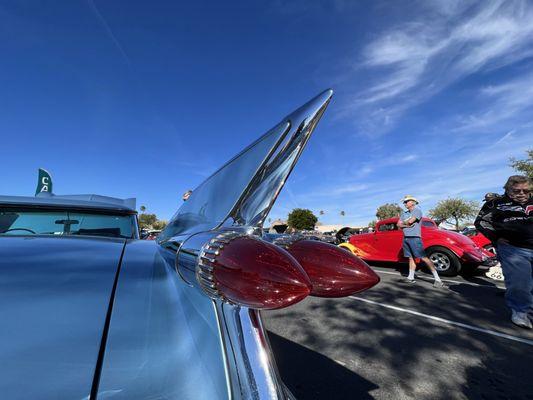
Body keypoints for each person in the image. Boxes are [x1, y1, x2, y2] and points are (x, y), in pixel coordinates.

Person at [475, 175, 533, 329]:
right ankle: (520, 311)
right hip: (514, 249)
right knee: (520, 282)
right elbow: (481, 221)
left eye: (525, 190)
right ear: (507, 189)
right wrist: (496, 236)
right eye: (517, 190)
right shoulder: (496, 203)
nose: (522, 193)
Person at [397, 195, 446, 288]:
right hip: (406, 238)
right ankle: (410, 278)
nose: (405, 203)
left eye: (406, 201)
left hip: (415, 237)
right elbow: (398, 225)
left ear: (412, 202)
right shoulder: (404, 213)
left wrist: (404, 223)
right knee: (411, 258)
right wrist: (405, 224)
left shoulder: (417, 211)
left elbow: (410, 222)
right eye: (404, 202)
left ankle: (438, 280)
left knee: (423, 258)